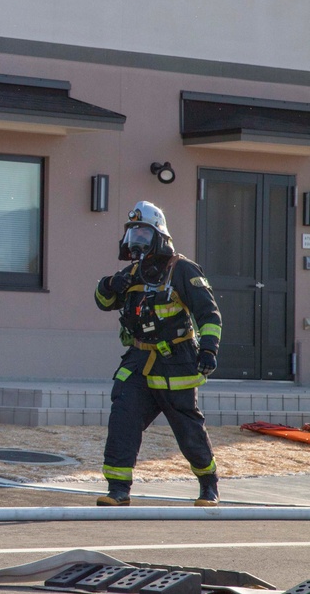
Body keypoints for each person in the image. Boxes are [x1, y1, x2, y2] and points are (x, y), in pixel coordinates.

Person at [94, 201, 222, 508]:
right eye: (132, 234)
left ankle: (209, 485)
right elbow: (103, 301)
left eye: (142, 233)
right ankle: (118, 489)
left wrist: (208, 349)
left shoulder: (182, 270)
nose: (135, 240)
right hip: (139, 361)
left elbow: (209, 314)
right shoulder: (133, 273)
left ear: (159, 235)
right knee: (123, 418)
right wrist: (112, 283)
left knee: (187, 429)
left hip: (176, 363)